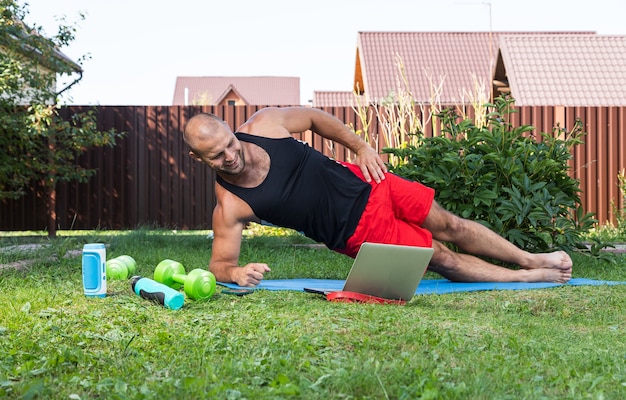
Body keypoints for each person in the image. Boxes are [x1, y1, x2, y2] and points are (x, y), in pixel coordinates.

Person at [183, 107, 573, 287]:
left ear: (233, 131)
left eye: (230, 144)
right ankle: (529, 277)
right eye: (217, 155)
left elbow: (317, 118)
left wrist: (361, 147)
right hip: (357, 231)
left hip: (369, 181)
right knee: (438, 255)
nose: (230, 156)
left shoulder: (265, 124)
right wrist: (235, 273)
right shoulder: (230, 204)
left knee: (449, 223)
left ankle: (530, 258)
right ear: (198, 158)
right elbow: (219, 263)